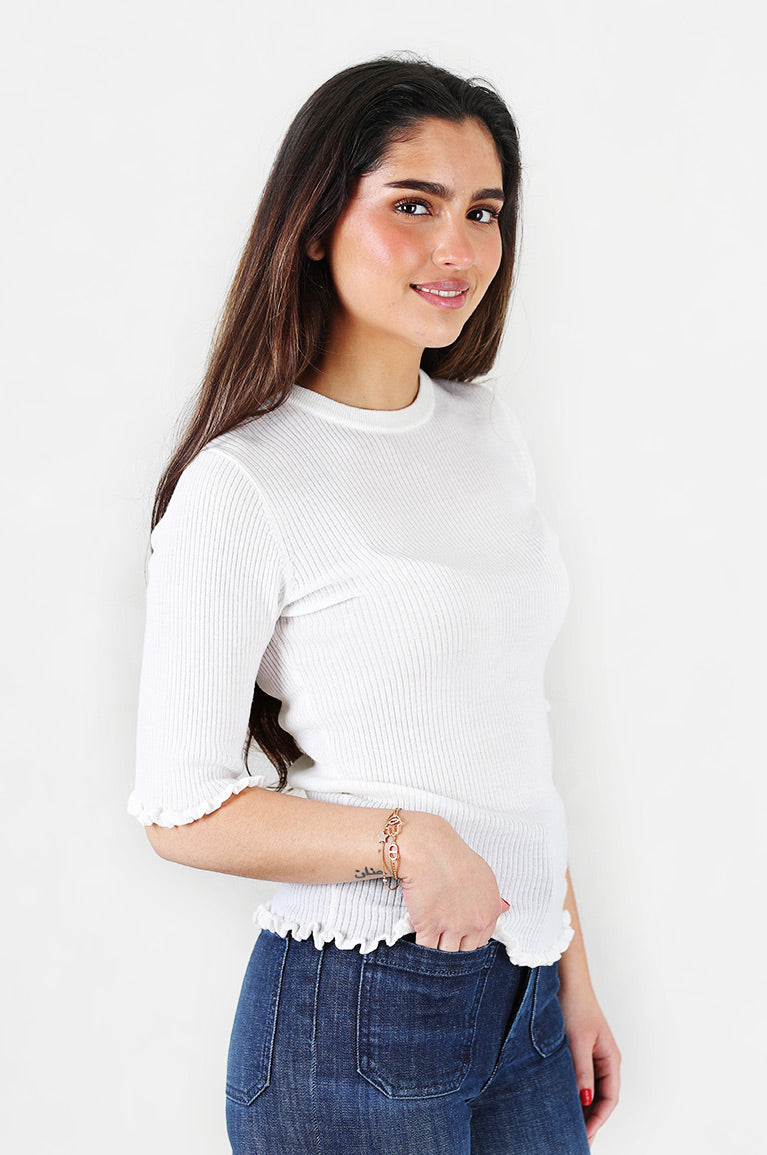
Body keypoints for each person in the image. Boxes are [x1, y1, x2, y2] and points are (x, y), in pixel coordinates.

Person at [128, 56, 621, 1154]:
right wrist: (407, 843)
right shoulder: (244, 482)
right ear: (314, 224)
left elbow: (507, 734)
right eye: (413, 205)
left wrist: (568, 972)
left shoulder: (485, 432)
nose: (459, 249)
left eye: (482, 211)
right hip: (355, 1016)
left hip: (527, 1007)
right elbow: (178, 809)